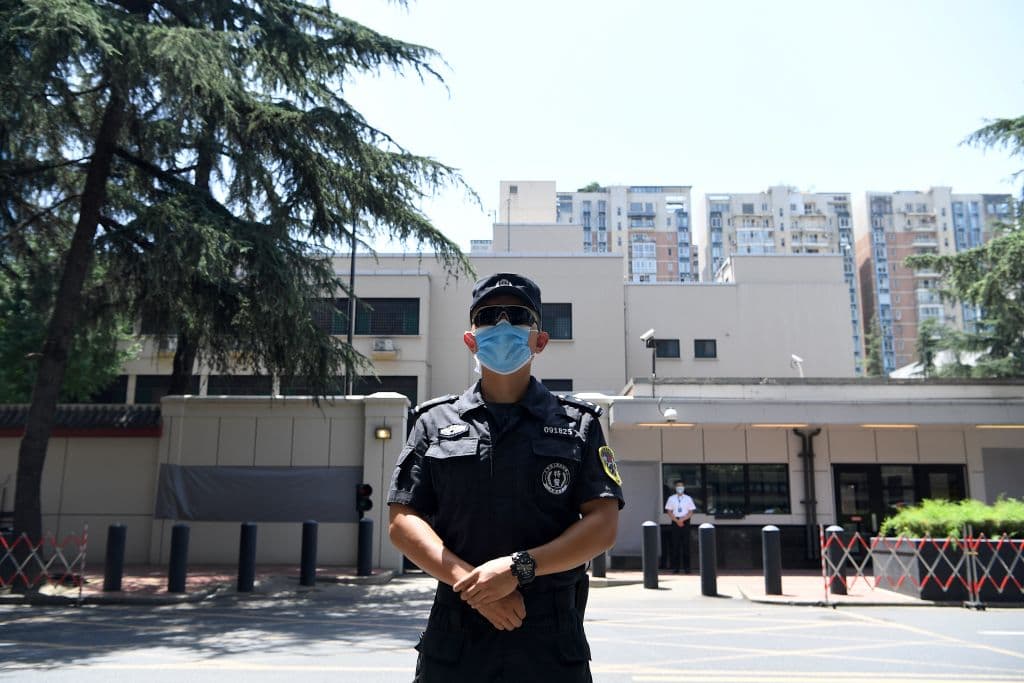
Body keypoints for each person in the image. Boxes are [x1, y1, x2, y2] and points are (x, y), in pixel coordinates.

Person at [387, 273, 625, 683]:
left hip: (549, 639)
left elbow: (603, 524)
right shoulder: (433, 422)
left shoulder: (577, 424)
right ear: (470, 339)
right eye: (487, 317)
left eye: (516, 316)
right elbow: (402, 520)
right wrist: (473, 586)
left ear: (540, 340)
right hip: (456, 634)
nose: (501, 325)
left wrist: (518, 569)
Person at [664, 480, 695, 573]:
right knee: (675, 545)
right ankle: (676, 568)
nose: (680, 488)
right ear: (675, 488)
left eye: (681, 486)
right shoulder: (671, 498)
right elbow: (669, 511)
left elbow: (691, 512)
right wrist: (677, 520)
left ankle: (687, 568)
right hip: (675, 521)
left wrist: (683, 519)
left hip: (685, 521)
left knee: (686, 545)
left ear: (684, 488)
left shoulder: (688, 498)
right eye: (678, 486)